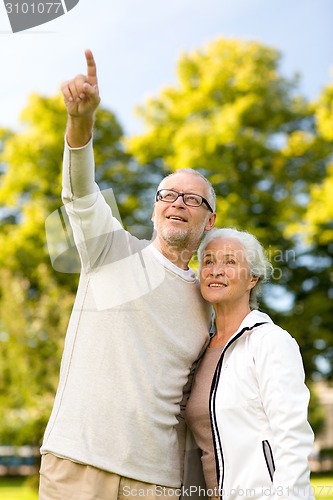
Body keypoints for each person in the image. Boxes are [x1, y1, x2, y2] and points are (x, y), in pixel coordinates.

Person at [39, 49, 216, 499]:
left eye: (192, 199)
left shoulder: (211, 301)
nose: (178, 202)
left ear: (209, 221)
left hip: (155, 481)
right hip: (79, 463)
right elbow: (80, 193)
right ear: (156, 208)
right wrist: (80, 125)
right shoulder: (111, 249)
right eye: (168, 194)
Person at [185, 227, 315, 500]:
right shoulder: (197, 351)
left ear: (252, 278)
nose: (216, 270)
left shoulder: (269, 341)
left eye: (230, 261)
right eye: (208, 261)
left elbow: (293, 438)